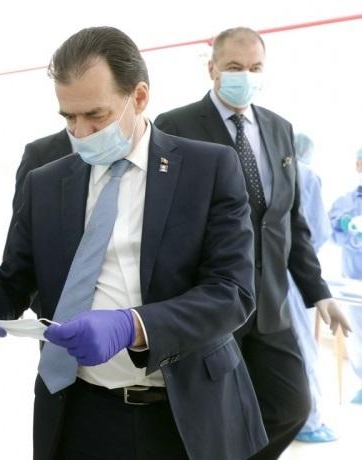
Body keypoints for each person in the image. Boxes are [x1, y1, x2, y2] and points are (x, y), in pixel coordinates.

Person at [0, 26, 267, 460]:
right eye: (68, 117)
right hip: (80, 411)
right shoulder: (46, 182)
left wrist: (134, 326)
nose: (80, 132)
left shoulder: (206, 169)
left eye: (95, 115)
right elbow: (16, 279)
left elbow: (232, 293)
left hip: (186, 414)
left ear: (139, 97)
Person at [154, 27, 351, 458]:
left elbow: (289, 221)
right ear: (212, 68)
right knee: (214, 420)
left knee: (291, 406)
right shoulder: (176, 126)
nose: (246, 76)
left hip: (270, 305)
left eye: (255, 68)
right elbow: (163, 223)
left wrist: (319, 293)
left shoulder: (279, 129)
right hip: (212, 302)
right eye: (234, 67)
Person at [285, 133, 337, 442]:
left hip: (265, 276)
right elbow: (316, 232)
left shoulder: (271, 168)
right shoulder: (306, 174)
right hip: (294, 278)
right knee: (303, 347)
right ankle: (310, 422)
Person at [328, 146, 362, 405]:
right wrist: (345, 224)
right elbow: (328, 230)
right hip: (354, 281)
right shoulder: (346, 202)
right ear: (358, 166)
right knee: (359, 335)